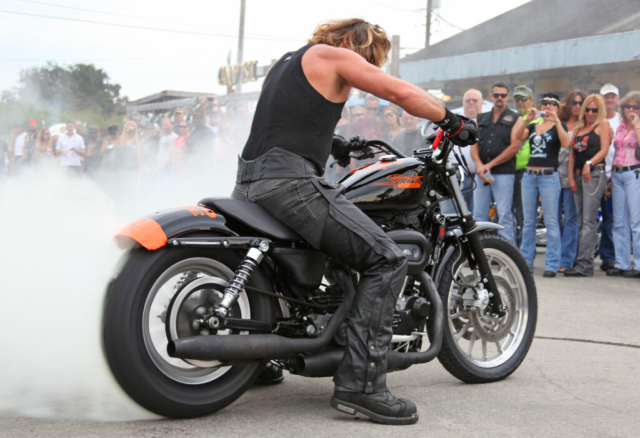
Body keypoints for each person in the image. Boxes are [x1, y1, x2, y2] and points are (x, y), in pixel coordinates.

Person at [232, 18, 477, 425]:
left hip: (250, 182)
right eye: (366, 56)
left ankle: (260, 357)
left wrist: (333, 143)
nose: (362, 65)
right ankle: (361, 386)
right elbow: (397, 91)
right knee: (388, 258)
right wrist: (452, 119)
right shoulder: (333, 54)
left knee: (288, 265)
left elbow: (283, 118)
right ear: (348, 41)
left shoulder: (286, 65)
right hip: (288, 183)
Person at [514, 93, 569, 277]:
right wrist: (527, 119)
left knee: (551, 220)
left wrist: (557, 121)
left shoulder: (560, 125)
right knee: (528, 222)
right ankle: (525, 262)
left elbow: (566, 143)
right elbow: (517, 136)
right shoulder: (533, 125)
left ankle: (552, 264)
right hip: (530, 175)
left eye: (552, 104)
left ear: (557, 107)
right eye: (544, 103)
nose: (547, 106)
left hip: (549, 176)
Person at [565, 95, 611, 277]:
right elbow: (572, 156)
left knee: (589, 221)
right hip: (578, 177)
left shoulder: (603, 125)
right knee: (580, 221)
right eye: (588, 109)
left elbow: (604, 150)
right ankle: (581, 260)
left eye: (595, 110)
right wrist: (570, 177)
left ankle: (585, 264)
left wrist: (589, 163)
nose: (591, 113)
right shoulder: (578, 128)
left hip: (594, 174)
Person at [471, 82, 520, 243]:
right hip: (482, 173)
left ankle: (508, 253)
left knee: (504, 214)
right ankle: (481, 252)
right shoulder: (482, 117)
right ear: (491, 97)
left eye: (503, 95)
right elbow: (474, 145)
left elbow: (514, 147)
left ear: (507, 97)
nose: (500, 98)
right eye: (497, 95)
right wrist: (479, 164)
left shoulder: (515, 118)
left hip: (504, 173)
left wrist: (489, 165)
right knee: (478, 214)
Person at [607, 91, 640, 278]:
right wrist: (610, 179)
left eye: (636, 106)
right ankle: (622, 263)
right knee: (619, 221)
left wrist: (636, 126)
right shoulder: (620, 127)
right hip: (618, 173)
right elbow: (616, 151)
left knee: (636, 221)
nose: (631, 110)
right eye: (628, 106)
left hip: (634, 172)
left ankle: (639, 265)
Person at [557, 89, 586, 272]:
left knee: (571, 219)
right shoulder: (558, 123)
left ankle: (567, 260)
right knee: (553, 218)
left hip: (572, 176)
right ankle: (555, 257)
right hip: (553, 173)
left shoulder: (585, 125)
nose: (577, 106)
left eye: (580, 103)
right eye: (574, 103)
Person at [511, 86, 539, 246]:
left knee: (525, 216)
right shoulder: (511, 118)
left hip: (529, 173)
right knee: (510, 214)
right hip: (509, 172)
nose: (520, 102)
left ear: (531, 100)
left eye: (524, 99)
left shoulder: (539, 119)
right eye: (517, 99)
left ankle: (526, 252)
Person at [598, 84, 621, 271]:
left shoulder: (622, 121)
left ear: (617, 100)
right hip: (595, 175)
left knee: (610, 219)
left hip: (613, 176)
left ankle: (608, 257)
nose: (609, 100)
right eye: (606, 97)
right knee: (588, 220)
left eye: (612, 97)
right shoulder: (594, 118)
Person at [454, 89, 483, 213]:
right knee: (454, 213)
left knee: (477, 214)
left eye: (475, 100)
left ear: (482, 103)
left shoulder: (487, 122)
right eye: (468, 100)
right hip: (456, 176)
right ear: (463, 103)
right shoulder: (454, 121)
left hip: (480, 177)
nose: (471, 103)